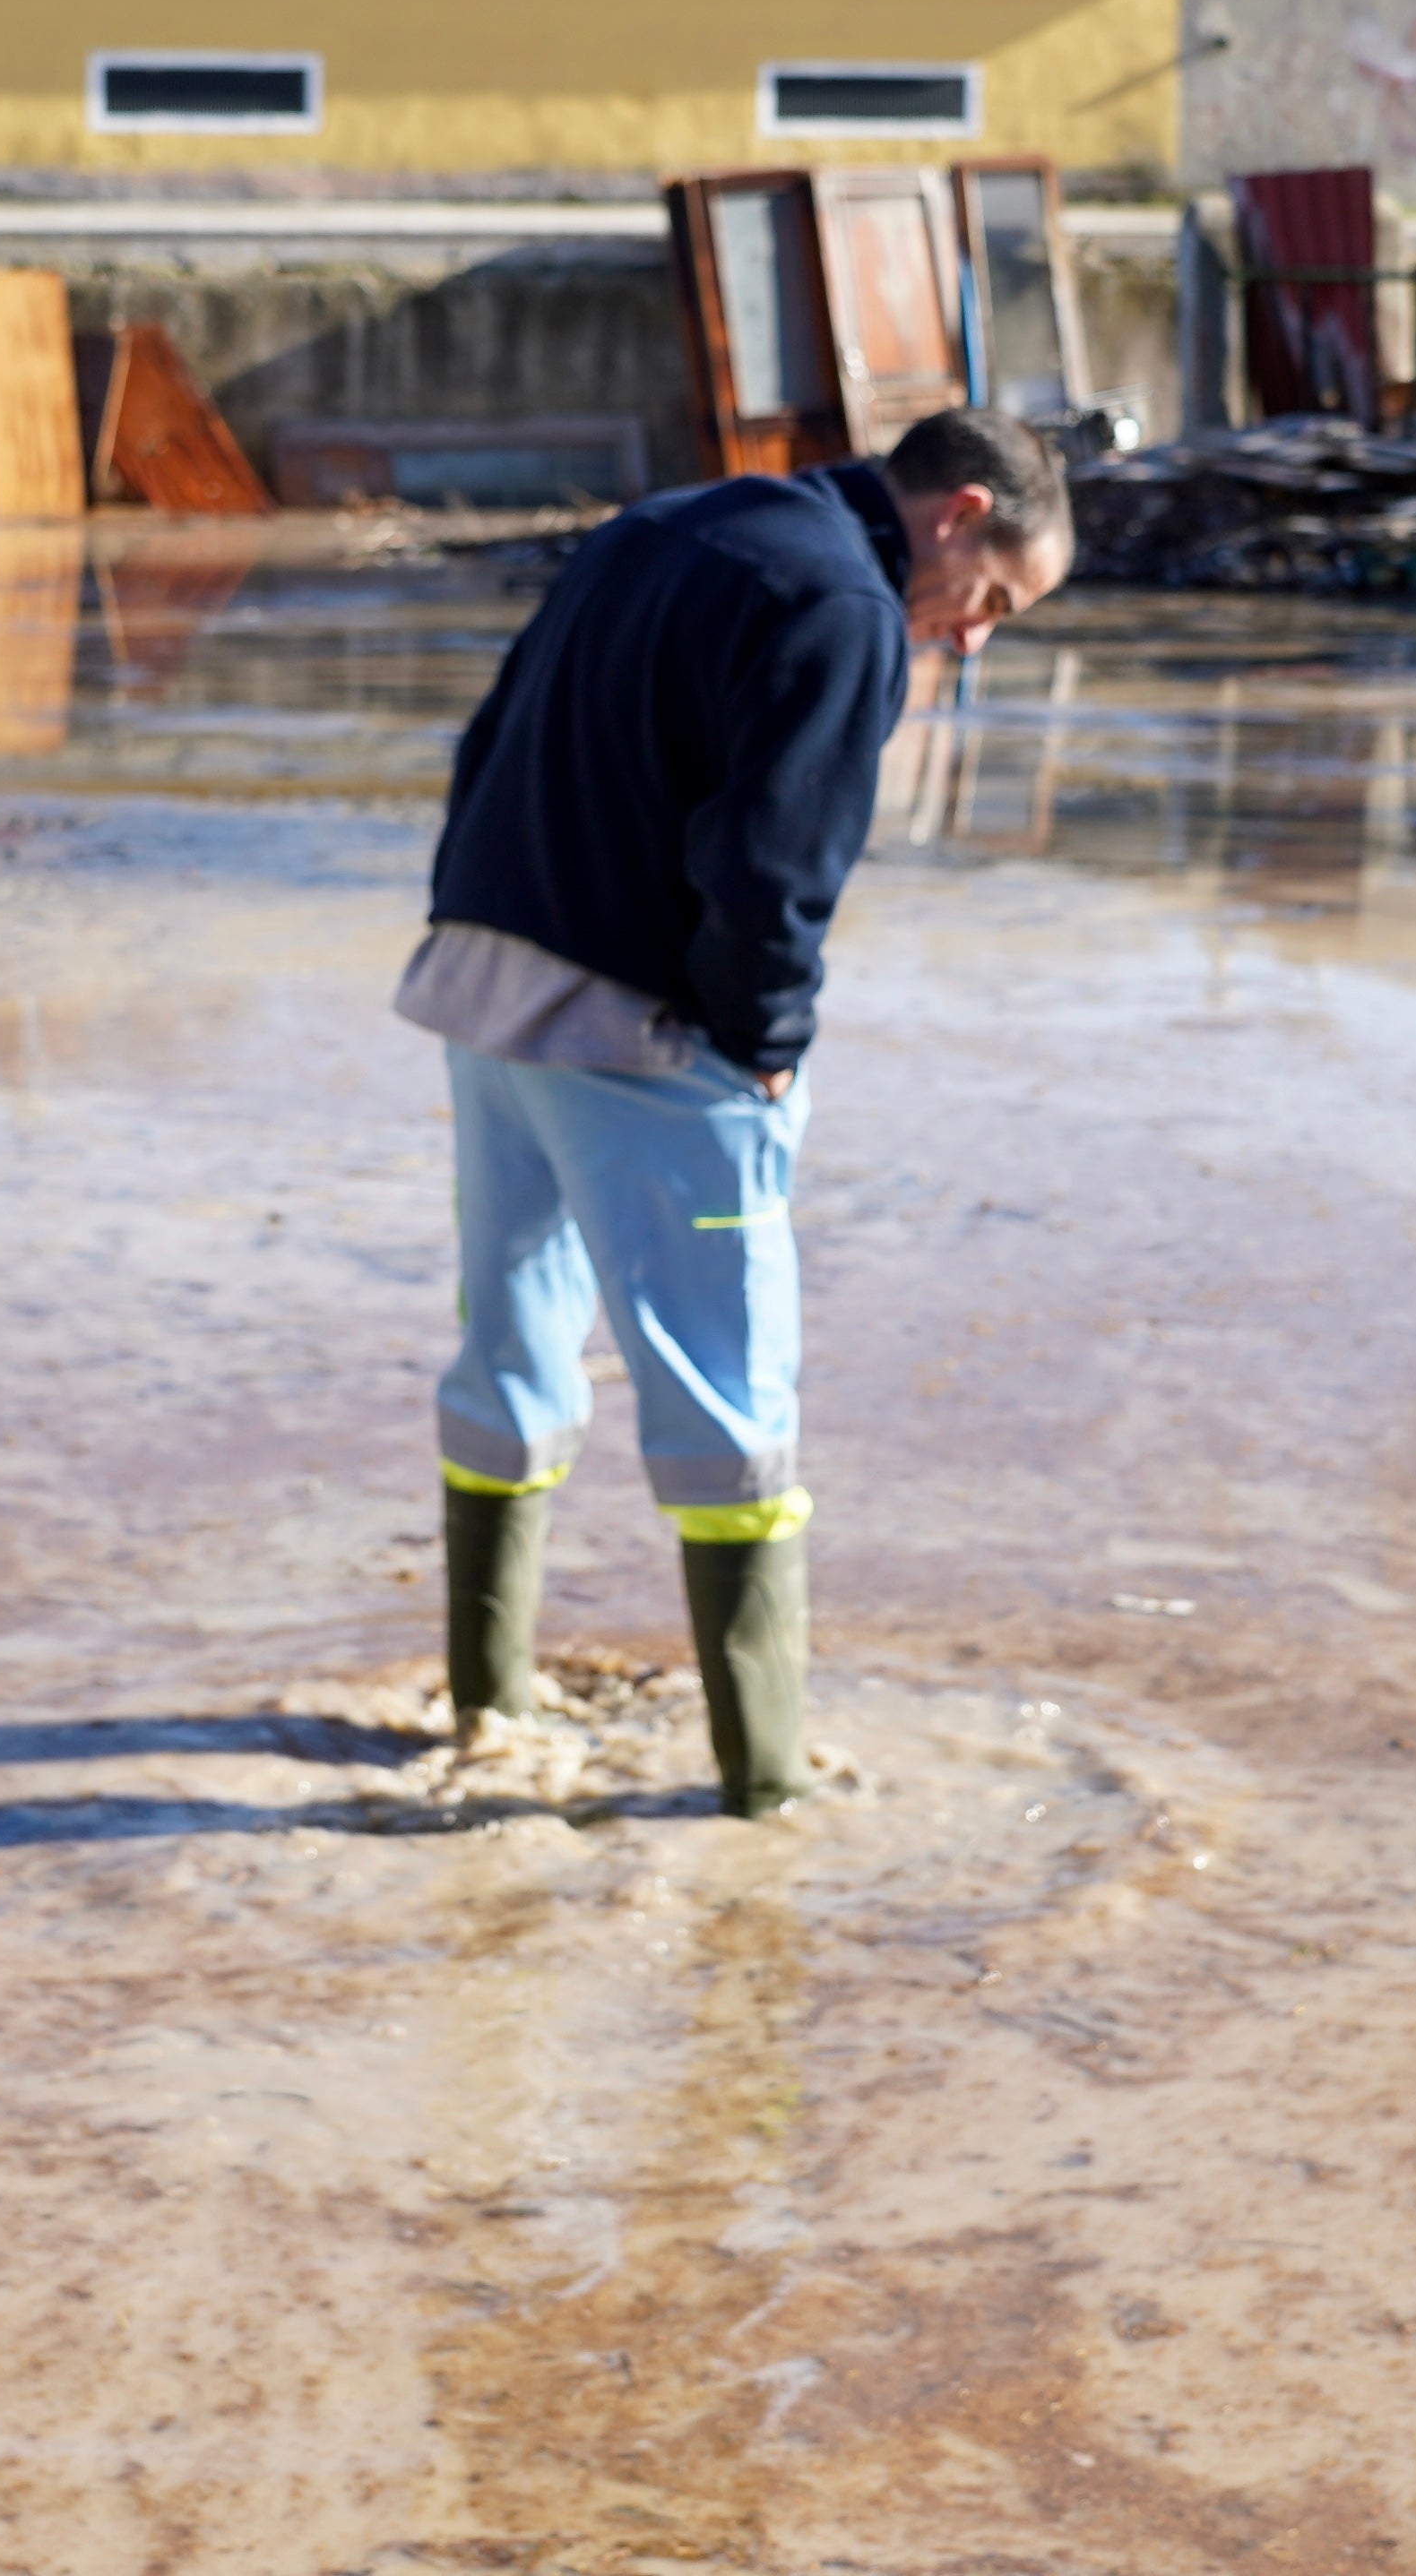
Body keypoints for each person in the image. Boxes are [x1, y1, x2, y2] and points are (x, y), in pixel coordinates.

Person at [392, 405, 1075, 1814]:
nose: (974, 635)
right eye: (994, 597)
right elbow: (774, 866)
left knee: (510, 1350)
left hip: (484, 988)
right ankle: (766, 1787)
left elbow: (490, 738)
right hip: (644, 1038)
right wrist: (766, 1046)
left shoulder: (670, 523)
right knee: (729, 1399)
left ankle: (486, 1702)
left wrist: (475, 923)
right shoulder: (841, 601)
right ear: (956, 515)